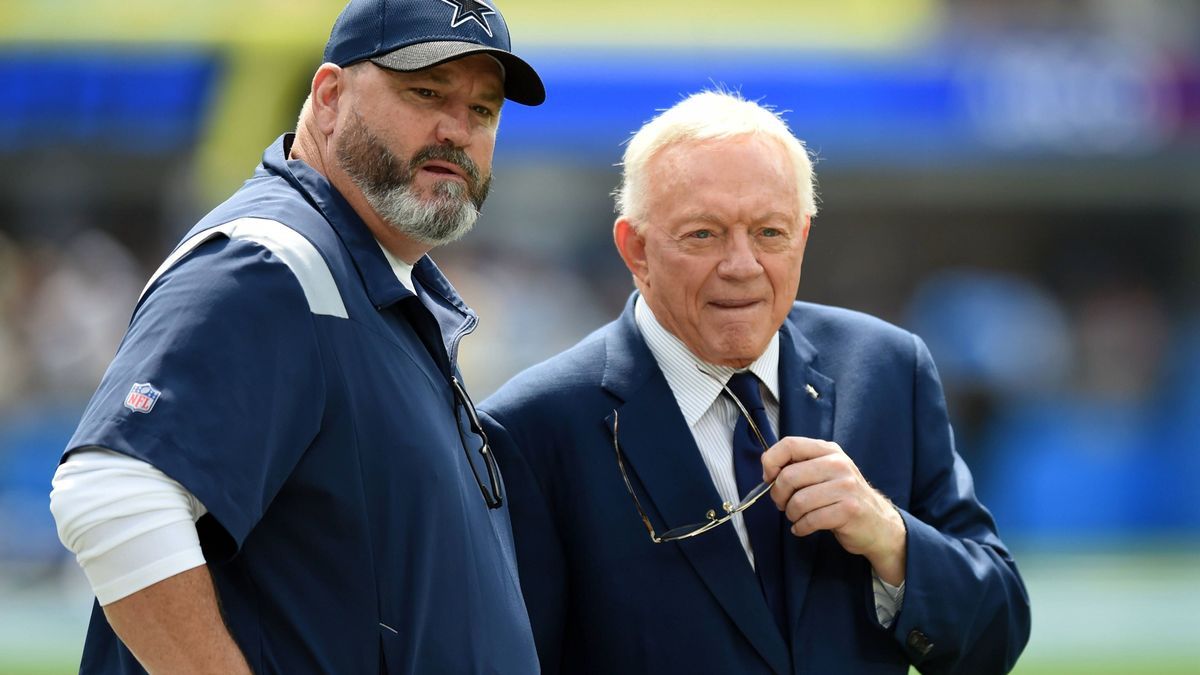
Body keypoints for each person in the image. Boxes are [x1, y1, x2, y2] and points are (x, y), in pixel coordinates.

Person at [48, 0, 544, 672]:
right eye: (425, 91)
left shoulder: (369, 278)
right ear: (330, 96)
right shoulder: (274, 260)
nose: (457, 129)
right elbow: (110, 495)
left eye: (483, 110)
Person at [479, 90, 1031, 675]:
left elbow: (995, 636)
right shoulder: (530, 428)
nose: (741, 265)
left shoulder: (889, 369)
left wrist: (889, 537)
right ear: (635, 249)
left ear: (803, 237)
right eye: (703, 234)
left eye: (769, 233)